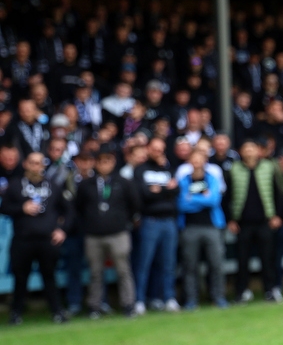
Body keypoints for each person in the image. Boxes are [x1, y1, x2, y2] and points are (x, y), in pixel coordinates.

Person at [0, 151, 72, 324]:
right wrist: (21, 208)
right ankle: (16, 313)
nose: (36, 166)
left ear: (43, 165)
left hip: (47, 240)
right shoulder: (16, 185)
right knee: (20, 277)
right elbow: (4, 208)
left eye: (39, 163)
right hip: (23, 239)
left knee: (50, 276)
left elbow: (69, 210)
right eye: (32, 162)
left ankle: (57, 312)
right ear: (25, 164)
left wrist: (62, 230)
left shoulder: (53, 185)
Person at [75, 146, 140, 318]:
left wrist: (124, 221)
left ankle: (128, 304)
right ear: (95, 163)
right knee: (95, 272)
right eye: (101, 161)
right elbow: (79, 207)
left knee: (123, 270)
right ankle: (94, 306)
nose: (104, 165)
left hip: (118, 233)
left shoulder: (123, 182)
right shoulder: (85, 185)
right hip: (94, 235)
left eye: (108, 161)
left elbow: (134, 205)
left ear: (113, 162)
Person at [224, 139, 283, 304]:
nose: (249, 151)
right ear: (240, 151)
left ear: (258, 151)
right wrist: (230, 219)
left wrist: (277, 215)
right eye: (246, 148)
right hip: (243, 223)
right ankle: (241, 292)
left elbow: (279, 193)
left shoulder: (269, 167)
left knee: (268, 258)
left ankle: (270, 290)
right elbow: (227, 196)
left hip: (265, 221)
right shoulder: (234, 169)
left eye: (252, 148)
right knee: (242, 260)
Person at [133, 136, 181, 314]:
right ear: (147, 149)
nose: (158, 152)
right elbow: (143, 194)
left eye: (161, 149)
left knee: (168, 263)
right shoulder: (140, 170)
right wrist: (165, 190)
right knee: (144, 263)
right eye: (155, 149)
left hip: (169, 221)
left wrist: (158, 190)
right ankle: (139, 300)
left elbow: (176, 190)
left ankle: (168, 297)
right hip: (149, 222)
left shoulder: (168, 168)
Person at [177, 148, 228, 310]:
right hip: (190, 228)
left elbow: (213, 200)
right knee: (190, 266)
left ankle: (218, 297)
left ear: (205, 160)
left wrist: (192, 199)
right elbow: (181, 204)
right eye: (194, 159)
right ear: (189, 162)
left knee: (216, 264)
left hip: (212, 227)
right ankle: (191, 300)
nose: (197, 162)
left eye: (200, 159)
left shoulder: (212, 178)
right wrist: (201, 198)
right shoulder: (184, 180)